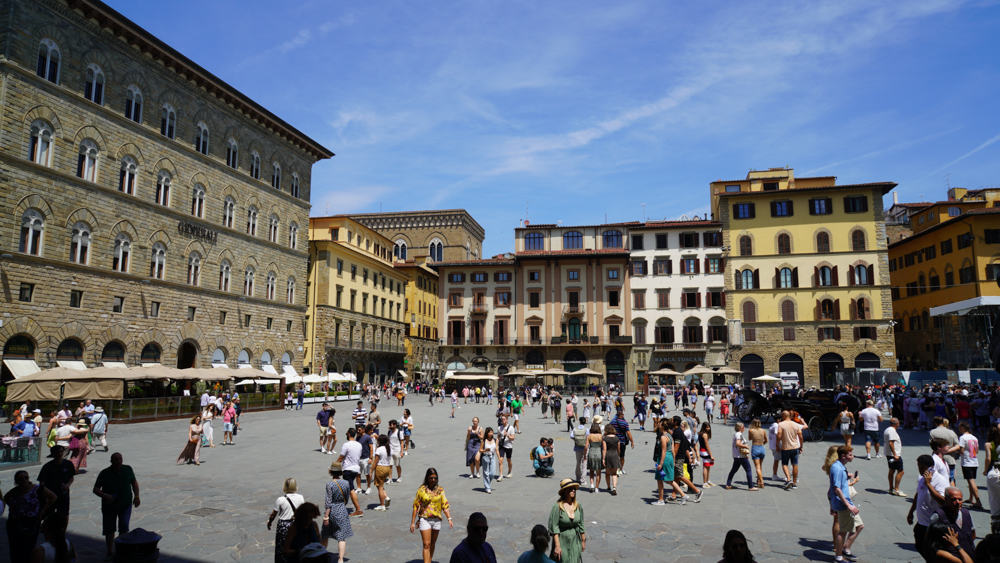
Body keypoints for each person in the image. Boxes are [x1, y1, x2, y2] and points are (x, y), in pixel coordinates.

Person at [92, 452, 140, 561]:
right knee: (109, 530)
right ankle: (110, 551)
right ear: (111, 461)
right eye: (116, 459)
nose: (118, 461)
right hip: (109, 506)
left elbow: (134, 483)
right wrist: (104, 495)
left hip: (125, 504)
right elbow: (96, 489)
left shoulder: (127, 469)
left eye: (120, 459)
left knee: (124, 528)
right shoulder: (105, 473)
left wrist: (136, 496)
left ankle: (122, 550)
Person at [5, 470, 56, 563]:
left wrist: (42, 511)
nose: (24, 480)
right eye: (20, 479)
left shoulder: (37, 488)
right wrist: (15, 508)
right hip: (14, 522)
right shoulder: (15, 491)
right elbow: (6, 497)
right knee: (15, 549)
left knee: (28, 548)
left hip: (31, 522)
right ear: (16, 482)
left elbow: (53, 497)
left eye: (26, 478)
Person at [908, 454, 950, 559]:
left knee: (931, 551)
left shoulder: (941, 481)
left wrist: (929, 484)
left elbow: (943, 501)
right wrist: (911, 511)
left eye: (922, 467)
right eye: (918, 466)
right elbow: (918, 494)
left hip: (932, 524)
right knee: (920, 546)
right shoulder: (922, 478)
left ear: (931, 467)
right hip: (922, 522)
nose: (920, 469)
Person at [410, 468, 453, 563]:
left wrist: (449, 519)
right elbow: (415, 506)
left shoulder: (440, 490)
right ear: (427, 478)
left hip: (436, 519)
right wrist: (412, 523)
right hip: (425, 519)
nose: (433, 480)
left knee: (432, 543)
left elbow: (445, 505)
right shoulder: (421, 490)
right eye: (431, 478)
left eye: (435, 478)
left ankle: (429, 560)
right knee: (426, 544)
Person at [829, 446, 863, 563]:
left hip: (846, 502)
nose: (852, 456)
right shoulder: (838, 468)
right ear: (843, 456)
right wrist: (848, 506)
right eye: (850, 454)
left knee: (859, 526)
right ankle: (838, 557)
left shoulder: (840, 466)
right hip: (843, 504)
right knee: (843, 531)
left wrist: (847, 476)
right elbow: (837, 489)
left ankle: (846, 549)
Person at [322, 461, 359, 562]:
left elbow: (328, 502)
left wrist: (326, 516)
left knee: (325, 534)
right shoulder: (346, 483)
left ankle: (321, 554)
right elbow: (346, 498)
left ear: (330, 472)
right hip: (342, 508)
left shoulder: (329, 484)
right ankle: (341, 559)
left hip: (332, 510)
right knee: (341, 536)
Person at [931, 486, 977, 559]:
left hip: (969, 555)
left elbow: (973, 534)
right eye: (954, 499)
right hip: (951, 557)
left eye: (960, 499)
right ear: (946, 500)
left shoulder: (966, 513)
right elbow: (930, 538)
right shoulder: (938, 515)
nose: (958, 502)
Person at [267, 478, 304, 563]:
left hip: (283, 525)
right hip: (295, 524)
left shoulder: (280, 499)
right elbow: (302, 511)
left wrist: (270, 521)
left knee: (282, 547)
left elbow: (273, 514)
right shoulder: (300, 497)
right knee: (295, 545)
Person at [549, 479, 586, 562]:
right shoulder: (557, 507)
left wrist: (583, 540)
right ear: (564, 491)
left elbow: (581, 524)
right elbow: (555, 528)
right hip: (562, 541)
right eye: (570, 489)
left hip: (575, 541)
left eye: (574, 489)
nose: (573, 490)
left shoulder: (578, 505)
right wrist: (557, 546)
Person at [653, 419, 686, 505]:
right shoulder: (670, 436)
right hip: (670, 458)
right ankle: (683, 495)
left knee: (660, 479)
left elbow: (664, 451)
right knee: (669, 480)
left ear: (663, 427)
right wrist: (673, 461)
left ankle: (661, 500)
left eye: (659, 424)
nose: (658, 425)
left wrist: (660, 463)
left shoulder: (663, 437)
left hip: (664, 459)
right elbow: (672, 450)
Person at [37, 445, 75, 516]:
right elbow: (42, 483)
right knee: (49, 515)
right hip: (51, 495)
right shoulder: (47, 467)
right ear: (53, 454)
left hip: (64, 494)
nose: (60, 454)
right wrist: (45, 496)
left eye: (61, 452)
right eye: (57, 452)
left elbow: (71, 477)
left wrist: (68, 484)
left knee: (64, 514)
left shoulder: (68, 464)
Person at [957, 422, 983, 508]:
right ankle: (971, 498)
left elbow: (961, 451)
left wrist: (955, 450)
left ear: (963, 428)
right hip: (974, 461)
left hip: (967, 461)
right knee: (970, 480)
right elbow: (977, 450)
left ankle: (978, 500)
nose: (959, 428)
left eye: (960, 427)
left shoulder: (962, 438)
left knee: (971, 481)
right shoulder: (974, 437)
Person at [930, 416, 961, 485]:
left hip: (937, 458)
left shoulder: (933, 432)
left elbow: (932, 445)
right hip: (950, 459)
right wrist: (947, 451)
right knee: (951, 479)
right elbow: (958, 446)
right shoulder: (951, 432)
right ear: (943, 422)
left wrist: (941, 451)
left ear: (935, 423)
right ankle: (952, 495)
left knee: (937, 479)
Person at [777, 410, 803, 490]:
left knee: (784, 464)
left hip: (786, 447)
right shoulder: (796, 424)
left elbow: (778, 436)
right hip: (795, 447)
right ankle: (794, 483)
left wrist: (777, 445)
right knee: (795, 464)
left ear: (784, 416)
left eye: (782, 415)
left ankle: (788, 479)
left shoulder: (781, 424)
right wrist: (801, 446)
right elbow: (801, 437)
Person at [725, 422, 755, 491]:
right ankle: (751, 486)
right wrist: (745, 446)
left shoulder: (737, 434)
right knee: (748, 470)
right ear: (739, 428)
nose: (744, 427)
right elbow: (738, 444)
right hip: (741, 456)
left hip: (737, 455)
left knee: (734, 470)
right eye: (743, 426)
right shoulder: (739, 434)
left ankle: (728, 484)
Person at [337, 428, 363, 494]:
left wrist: (334, 465)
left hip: (348, 469)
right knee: (348, 488)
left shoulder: (346, 445)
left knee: (351, 489)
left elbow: (340, 458)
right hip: (356, 469)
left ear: (348, 434)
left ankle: (356, 504)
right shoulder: (359, 445)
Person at [884, 417, 906, 496]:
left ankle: (891, 488)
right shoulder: (892, 431)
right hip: (894, 455)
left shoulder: (887, 429)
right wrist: (895, 455)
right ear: (897, 423)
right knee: (900, 471)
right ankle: (896, 489)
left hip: (889, 454)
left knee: (891, 470)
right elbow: (891, 443)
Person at [609, 408, 634, 475]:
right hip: (622, 441)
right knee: (622, 456)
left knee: (614, 455)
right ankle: (620, 469)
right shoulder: (625, 423)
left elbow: (609, 430)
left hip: (613, 441)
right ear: (622, 415)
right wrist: (632, 442)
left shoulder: (612, 422)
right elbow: (628, 433)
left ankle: (613, 468)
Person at [985, 427, 1000, 532]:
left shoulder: (989, 444)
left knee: (994, 497)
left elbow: (988, 458)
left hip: (993, 467)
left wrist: (985, 470)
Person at [372, 435, 392, 510]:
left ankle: (382, 505)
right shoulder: (389, 448)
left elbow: (375, 462)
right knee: (380, 485)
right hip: (387, 468)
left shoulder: (379, 449)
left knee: (380, 487)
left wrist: (371, 471)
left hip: (380, 468)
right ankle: (386, 497)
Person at [747, 419, 767, 490]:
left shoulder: (751, 430)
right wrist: (762, 444)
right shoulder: (763, 431)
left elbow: (749, 439)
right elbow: (766, 440)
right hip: (762, 448)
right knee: (760, 466)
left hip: (755, 447)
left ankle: (761, 482)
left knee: (757, 467)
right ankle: (758, 480)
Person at [585, 423, 605, 491]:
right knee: (598, 473)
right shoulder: (601, 436)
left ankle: (592, 485)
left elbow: (586, 447)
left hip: (591, 453)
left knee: (591, 471)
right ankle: (597, 488)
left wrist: (585, 455)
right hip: (599, 453)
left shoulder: (589, 436)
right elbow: (603, 446)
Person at [603, 425, 621, 494]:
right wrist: (618, 455)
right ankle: (614, 487)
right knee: (614, 473)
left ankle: (608, 487)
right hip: (615, 455)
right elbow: (618, 449)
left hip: (608, 455)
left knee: (607, 473)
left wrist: (603, 459)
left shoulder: (605, 438)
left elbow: (604, 449)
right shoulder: (617, 438)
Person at [357, 425, 375, 495]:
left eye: (359, 430)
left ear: (363, 430)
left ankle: (369, 488)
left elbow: (371, 448)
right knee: (358, 474)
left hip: (366, 458)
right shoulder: (357, 437)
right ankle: (359, 488)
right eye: (357, 430)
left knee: (367, 474)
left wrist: (370, 458)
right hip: (359, 458)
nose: (358, 431)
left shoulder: (367, 437)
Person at [480, 427, 498, 493]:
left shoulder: (495, 440)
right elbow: (480, 450)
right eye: (489, 432)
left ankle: (487, 483)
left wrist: (499, 457)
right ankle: (488, 488)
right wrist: (485, 450)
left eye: (492, 432)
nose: (491, 433)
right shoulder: (484, 441)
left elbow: (496, 449)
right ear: (486, 433)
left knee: (493, 473)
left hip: (492, 457)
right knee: (486, 473)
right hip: (485, 457)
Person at [699, 422, 716, 488]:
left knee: (708, 466)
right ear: (704, 427)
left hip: (702, 450)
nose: (708, 428)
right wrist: (711, 455)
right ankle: (704, 483)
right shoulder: (705, 435)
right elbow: (707, 445)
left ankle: (708, 480)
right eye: (707, 427)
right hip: (704, 451)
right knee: (706, 467)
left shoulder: (700, 433)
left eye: (709, 427)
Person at [498, 415, 515, 481]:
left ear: (507, 419)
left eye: (504, 419)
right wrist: (496, 444)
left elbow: (512, 438)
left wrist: (507, 435)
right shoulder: (499, 428)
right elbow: (498, 437)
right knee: (500, 460)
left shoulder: (511, 428)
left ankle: (509, 472)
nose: (503, 420)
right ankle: (501, 475)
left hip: (509, 446)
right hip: (502, 446)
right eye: (502, 419)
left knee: (509, 460)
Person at [768, 413, 782, 481]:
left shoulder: (772, 425)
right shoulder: (777, 426)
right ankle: (774, 475)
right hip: (776, 446)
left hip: (772, 445)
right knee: (777, 460)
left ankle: (775, 474)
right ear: (778, 420)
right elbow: (777, 435)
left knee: (777, 460)